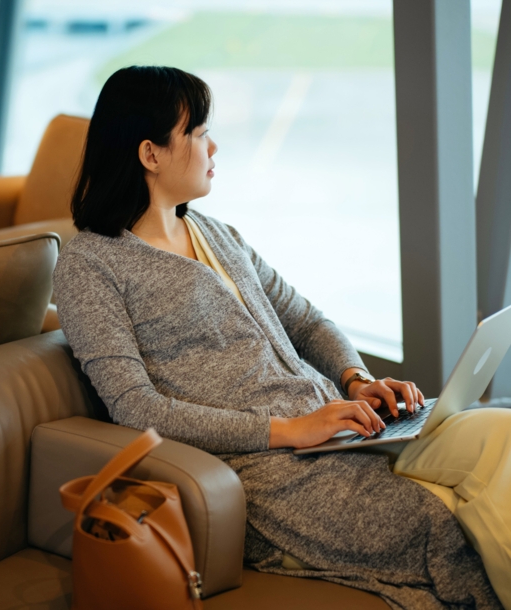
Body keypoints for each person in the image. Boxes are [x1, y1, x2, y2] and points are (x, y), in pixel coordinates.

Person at [53, 66, 510, 609]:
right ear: (150, 154)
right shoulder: (90, 265)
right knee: (441, 523)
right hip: (271, 470)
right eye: (198, 134)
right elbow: (137, 409)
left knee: (497, 432)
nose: (213, 145)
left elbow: (307, 320)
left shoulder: (218, 234)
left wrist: (355, 379)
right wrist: (288, 430)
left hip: (343, 427)